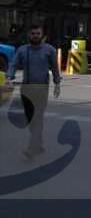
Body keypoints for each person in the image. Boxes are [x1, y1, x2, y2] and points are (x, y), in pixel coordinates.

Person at [7, 25, 61, 159]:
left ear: (42, 35)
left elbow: (55, 67)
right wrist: (9, 77)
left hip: (42, 88)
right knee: (30, 119)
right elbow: (13, 64)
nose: (35, 36)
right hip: (26, 88)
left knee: (38, 117)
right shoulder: (22, 50)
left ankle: (32, 147)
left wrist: (57, 83)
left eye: (38, 33)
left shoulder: (49, 50)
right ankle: (38, 143)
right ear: (28, 35)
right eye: (33, 33)